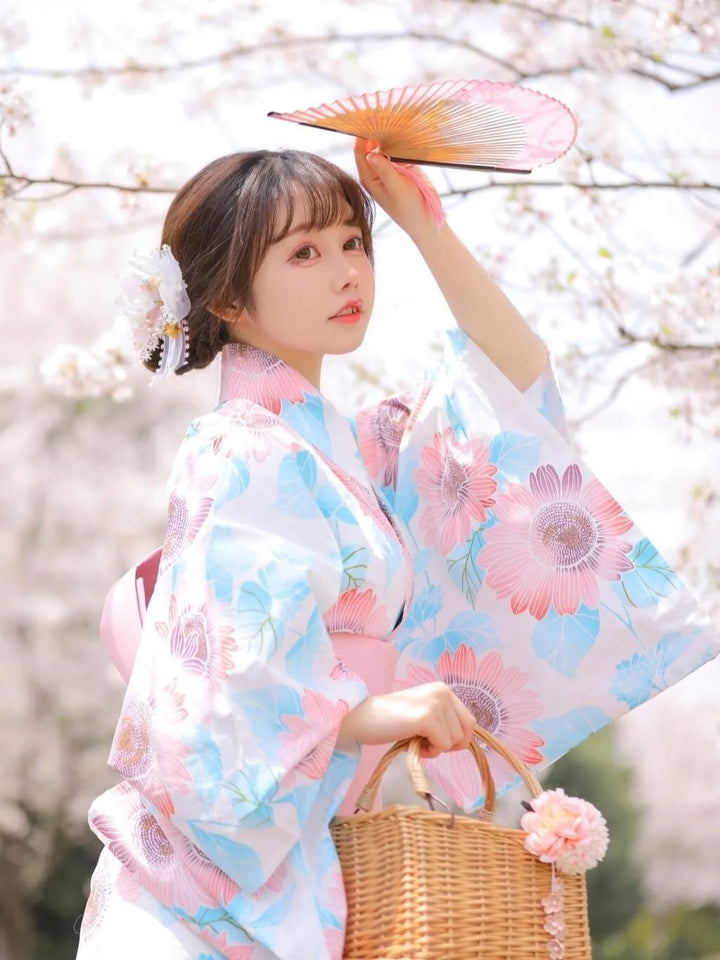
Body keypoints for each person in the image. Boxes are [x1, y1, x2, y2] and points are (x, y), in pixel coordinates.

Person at [76, 139, 717, 960]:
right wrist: (371, 712)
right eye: (304, 252)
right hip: (191, 895)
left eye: (353, 244)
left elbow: (513, 381)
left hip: (306, 847)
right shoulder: (239, 448)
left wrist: (426, 226)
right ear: (228, 295)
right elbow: (220, 691)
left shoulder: (353, 447)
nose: (347, 272)